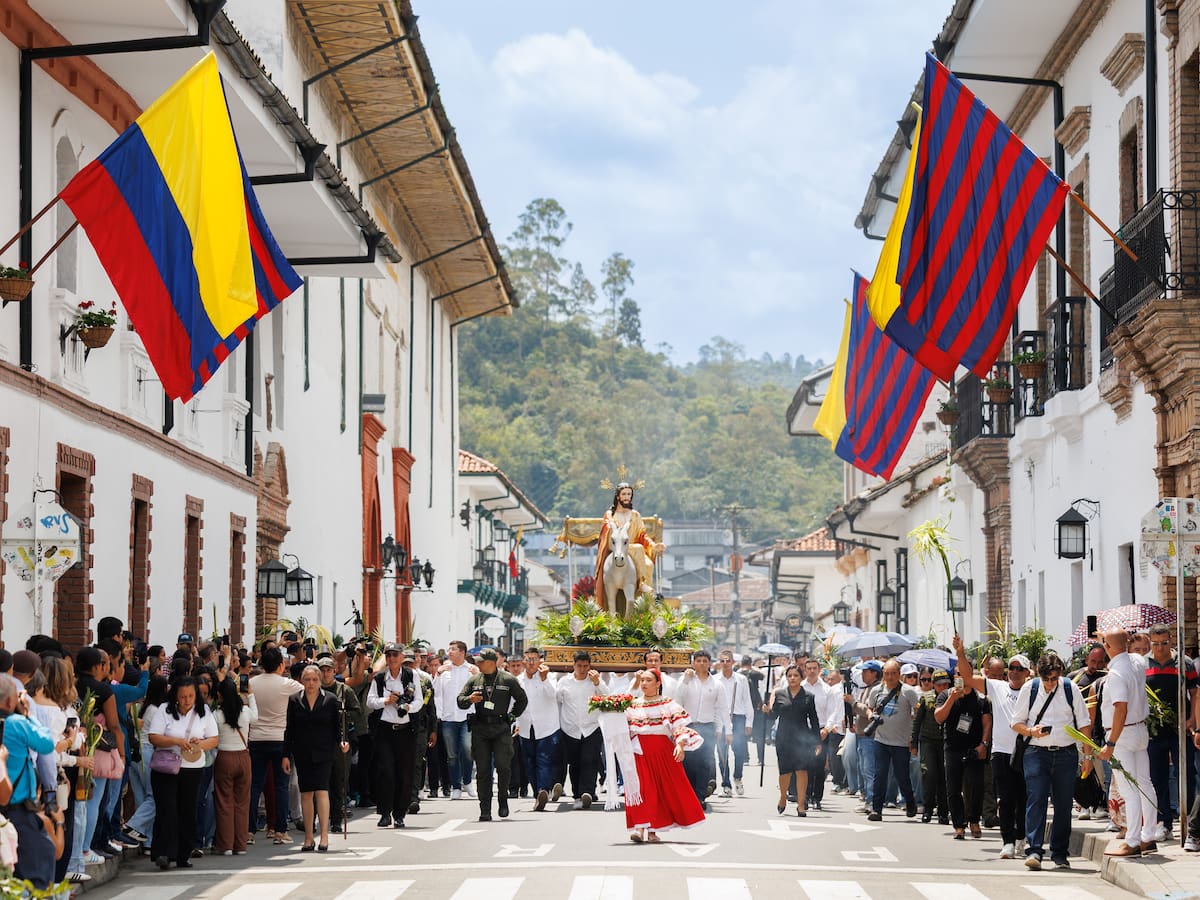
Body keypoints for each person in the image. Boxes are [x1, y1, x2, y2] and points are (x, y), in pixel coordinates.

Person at [954, 634, 1031, 859]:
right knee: (1005, 798)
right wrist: (960, 652)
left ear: (1027, 673)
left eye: (1019, 668)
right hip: (1001, 752)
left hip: (1027, 753)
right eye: (1012, 668)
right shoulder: (997, 687)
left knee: (1023, 798)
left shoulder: (1035, 689)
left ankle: (1021, 838)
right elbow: (967, 676)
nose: (1014, 672)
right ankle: (1007, 841)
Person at [1011, 650, 1089, 870]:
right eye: (1046, 679)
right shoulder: (1030, 689)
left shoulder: (1069, 689)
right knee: (1036, 801)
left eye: (1054, 678)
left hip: (1066, 753)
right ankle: (1034, 850)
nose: (1050, 683)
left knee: (1064, 805)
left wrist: (1088, 755)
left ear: (1060, 674)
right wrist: (1031, 731)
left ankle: (1059, 853)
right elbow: (1015, 723)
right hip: (1037, 753)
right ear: (1038, 673)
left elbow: (1083, 723)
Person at [624, 668, 706, 843]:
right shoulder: (634, 704)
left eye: (648, 680)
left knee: (660, 791)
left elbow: (679, 727)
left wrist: (680, 745)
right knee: (640, 790)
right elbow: (623, 726)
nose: (644, 684)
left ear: (658, 683)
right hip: (639, 752)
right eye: (642, 680)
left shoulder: (668, 703)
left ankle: (653, 830)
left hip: (662, 752)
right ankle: (639, 828)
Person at [146, 676, 219, 870]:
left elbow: (213, 739)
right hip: (167, 767)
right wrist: (177, 742)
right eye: (183, 696)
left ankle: (183, 854)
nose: (187, 700)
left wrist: (199, 744)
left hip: (193, 768)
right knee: (167, 809)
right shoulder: (164, 710)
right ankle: (163, 852)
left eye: (191, 696)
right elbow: (153, 737)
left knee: (188, 810)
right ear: (175, 696)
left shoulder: (203, 712)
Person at [1099, 629, 1155, 857]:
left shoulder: (1117, 672)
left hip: (1121, 734)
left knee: (1129, 790)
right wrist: (1110, 640)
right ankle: (1148, 836)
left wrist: (1111, 743)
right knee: (1145, 784)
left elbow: (1120, 708)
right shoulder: (1137, 661)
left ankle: (1132, 841)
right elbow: (1127, 648)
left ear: (1108, 647)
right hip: (1140, 729)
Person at [0, 671, 58, 889]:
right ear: (9, 700)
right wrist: (28, 714)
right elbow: (45, 744)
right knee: (36, 872)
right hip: (17, 810)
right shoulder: (16, 723)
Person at [458, 648, 528, 822]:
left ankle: (503, 800)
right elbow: (460, 700)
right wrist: (469, 700)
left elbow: (522, 699)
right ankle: (485, 808)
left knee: (503, 767)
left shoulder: (507, 679)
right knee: (482, 771)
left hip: (501, 729)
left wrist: (511, 716)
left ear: (491, 662)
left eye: (480, 661)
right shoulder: (474, 680)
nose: (477, 664)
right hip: (480, 729)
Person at [1144, 622, 1198, 845]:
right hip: (1154, 730)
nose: (1160, 649)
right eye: (1155, 644)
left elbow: (1195, 694)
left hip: (1180, 728)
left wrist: (1192, 720)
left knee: (1186, 775)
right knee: (1157, 777)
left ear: (1171, 641)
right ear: (1150, 643)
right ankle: (1163, 822)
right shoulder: (1143, 664)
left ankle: (1190, 822)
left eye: (1164, 643)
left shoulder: (1184, 663)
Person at [284, 665, 348, 852]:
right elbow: (290, 729)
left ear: (320, 681)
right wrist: (285, 754)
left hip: (324, 751)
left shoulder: (330, 700)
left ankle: (324, 836)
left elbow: (338, 728)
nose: (310, 683)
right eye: (307, 680)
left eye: (314, 680)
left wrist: (343, 742)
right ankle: (309, 837)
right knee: (306, 793)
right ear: (301, 681)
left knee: (321, 790)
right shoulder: (294, 700)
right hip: (302, 752)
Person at [246, 646, 303, 845]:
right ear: (281, 665)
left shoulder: (252, 682)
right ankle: (280, 831)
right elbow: (305, 693)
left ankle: (249, 831)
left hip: (256, 738)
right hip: (280, 738)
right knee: (281, 786)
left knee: (254, 786)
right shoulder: (288, 684)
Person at [365, 644, 424, 828]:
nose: (391, 658)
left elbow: (419, 700)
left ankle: (400, 814)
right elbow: (370, 702)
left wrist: (407, 707)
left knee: (404, 774)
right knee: (386, 773)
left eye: (395, 655)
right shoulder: (380, 678)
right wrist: (386, 701)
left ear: (401, 657)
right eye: (388, 655)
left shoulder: (411, 675)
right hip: (385, 730)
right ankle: (384, 813)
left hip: (406, 730)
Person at [934, 667, 991, 840]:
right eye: (958, 674)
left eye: (965, 673)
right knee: (953, 788)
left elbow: (987, 723)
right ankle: (959, 825)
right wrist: (952, 698)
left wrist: (984, 745)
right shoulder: (945, 695)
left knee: (976, 786)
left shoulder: (980, 697)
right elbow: (939, 717)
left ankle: (974, 819)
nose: (962, 677)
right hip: (952, 747)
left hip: (974, 747)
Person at [675, 650, 731, 811]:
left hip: (707, 727)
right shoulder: (686, 680)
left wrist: (726, 729)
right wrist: (685, 680)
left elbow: (722, 708)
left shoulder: (716, 684)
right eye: (698, 660)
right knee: (687, 762)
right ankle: (688, 795)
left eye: (704, 661)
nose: (701, 663)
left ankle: (700, 796)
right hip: (688, 726)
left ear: (709, 663)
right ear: (693, 663)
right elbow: (678, 699)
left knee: (704, 763)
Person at [593, 482, 663, 610]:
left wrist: (653, 545)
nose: (627, 497)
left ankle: (647, 601)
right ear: (618, 496)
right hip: (617, 549)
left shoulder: (635, 515)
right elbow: (606, 535)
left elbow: (643, 535)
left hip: (635, 551)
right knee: (638, 548)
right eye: (624, 494)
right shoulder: (610, 515)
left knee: (648, 564)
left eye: (629, 494)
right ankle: (640, 583)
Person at [866, 659, 920, 821]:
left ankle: (910, 802)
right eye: (887, 674)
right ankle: (877, 809)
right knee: (880, 774)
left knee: (902, 775)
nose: (890, 677)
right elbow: (869, 708)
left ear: (899, 674)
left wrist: (913, 738)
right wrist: (870, 715)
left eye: (893, 674)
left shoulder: (908, 691)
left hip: (901, 742)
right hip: (881, 740)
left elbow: (917, 713)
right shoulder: (876, 691)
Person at [767, 665, 823, 816]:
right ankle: (783, 797)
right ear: (786, 677)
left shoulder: (808, 697)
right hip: (784, 738)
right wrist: (768, 711)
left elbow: (814, 720)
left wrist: (817, 741)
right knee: (785, 771)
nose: (792, 678)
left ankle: (801, 804)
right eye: (790, 675)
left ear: (801, 678)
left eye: (796, 676)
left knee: (801, 770)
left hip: (802, 739)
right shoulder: (779, 694)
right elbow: (773, 716)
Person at [317, 654, 364, 830]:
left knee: (339, 782)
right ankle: (318, 819)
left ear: (334, 671)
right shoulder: (314, 690)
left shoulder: (344, 690)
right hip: (320, 740)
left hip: (341, 740)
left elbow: (357, 711)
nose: (325, 673)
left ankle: (336, 820)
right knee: (320, 783)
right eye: (322, 670)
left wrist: (342, 714)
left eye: (328, 670)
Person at [212, 671, 256, 856]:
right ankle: (240, 844)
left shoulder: (216, 714)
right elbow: (256, 716)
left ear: (220, 695)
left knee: (224, 802)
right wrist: (250, 694)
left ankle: (226, 845)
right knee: (242, 803)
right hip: (244, 757)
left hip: (224, 757)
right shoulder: (245, 712)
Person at [556, 650, 605, 809]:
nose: (582, 669)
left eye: (585, 666)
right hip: (570, 728)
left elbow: (608, 697)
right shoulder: (564, 682)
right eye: (579, 666)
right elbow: (557, 702)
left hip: (592, 727)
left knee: (589, 760)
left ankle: (588, 792)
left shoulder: (595, 681)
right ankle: (577, 794)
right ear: (573, 665)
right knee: (575, 763)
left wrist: (598, 683)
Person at [516, 647, 562, 811]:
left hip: (546, 726)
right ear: (523, 661)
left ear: (540, 661)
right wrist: (515, 723)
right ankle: (539, 794)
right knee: (529, 762)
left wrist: (543, 680)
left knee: (543, 760)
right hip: (526, 726)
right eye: (528, 659)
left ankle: (543, 789)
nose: (531, 663)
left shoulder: (550, 677)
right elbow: (514, 704)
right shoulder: (518, 680)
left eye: (534, 659)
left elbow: (553, 696)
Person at [434, 640, 477, 800]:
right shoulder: (444, 671)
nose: (449, 652)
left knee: (467, 749)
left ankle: (467, 781)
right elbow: (436, 692)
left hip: (467, 716)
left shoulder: (472, 670)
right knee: (452, 755)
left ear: (462, 652)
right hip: (449, 718)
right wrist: (438, 674)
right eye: (449, 649)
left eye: (453, 649)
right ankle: (456, 786)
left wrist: (476, 675)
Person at [800, 659, 841, 810]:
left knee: (818, 766)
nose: (811, 671)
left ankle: (817, 797)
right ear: (804, 670)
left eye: (814, 668)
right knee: (805, 765)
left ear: (819, 670)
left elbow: (832, 712)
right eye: (808, 668)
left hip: (821, 731)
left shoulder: (826, 690)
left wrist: (827, 729)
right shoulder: (800, 687)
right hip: (804, 731)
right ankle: (805, 795)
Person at [911, 668, 949, 825]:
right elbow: (917, 722)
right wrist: (913, 742)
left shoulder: (952, 697)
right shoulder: (926, 699)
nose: (942, 687)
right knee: (929, 774)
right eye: (939, 685)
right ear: (933, 685)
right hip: (928, 741)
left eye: (945, 684)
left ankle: (943, 812)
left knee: (944, 777)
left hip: (946, 742)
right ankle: (927, 810)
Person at [714, 650, 754, 797]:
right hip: (721, 719)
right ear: (719, 663)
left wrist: (749, 721)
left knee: (739, 751)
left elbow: (747, 701)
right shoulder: (715, 679)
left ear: (733, 662)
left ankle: (738, 777)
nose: (725, 664)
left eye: (728, 661)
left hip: (738, 717)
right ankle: (726, 785)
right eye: (722, 661)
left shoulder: (741, 680)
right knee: (722, 752)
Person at [851, 660, 882, 812]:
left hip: (870, 736)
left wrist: (853, 703)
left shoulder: (877, 689)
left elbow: (870, 712)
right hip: (862, 734)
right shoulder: (867, 688)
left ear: (874, 673)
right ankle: (868, 798)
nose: (862, 674)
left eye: (865, 671)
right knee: (865, 769)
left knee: (870, 770)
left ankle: (872, 801)